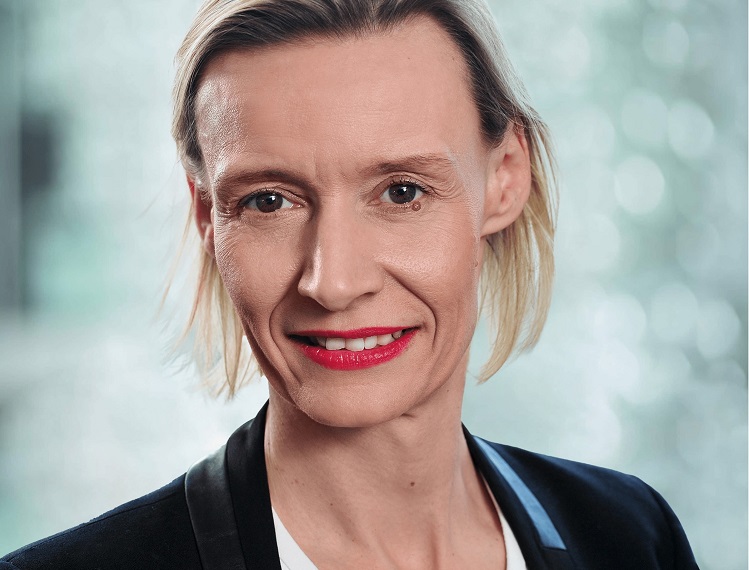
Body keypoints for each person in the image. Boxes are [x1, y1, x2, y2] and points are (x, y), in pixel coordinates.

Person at [1, 0, 699, 568]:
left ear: (504, 179)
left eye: (401, 191)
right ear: (208, 217)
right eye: (268, 201)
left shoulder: (630, 537)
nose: (331, 282)